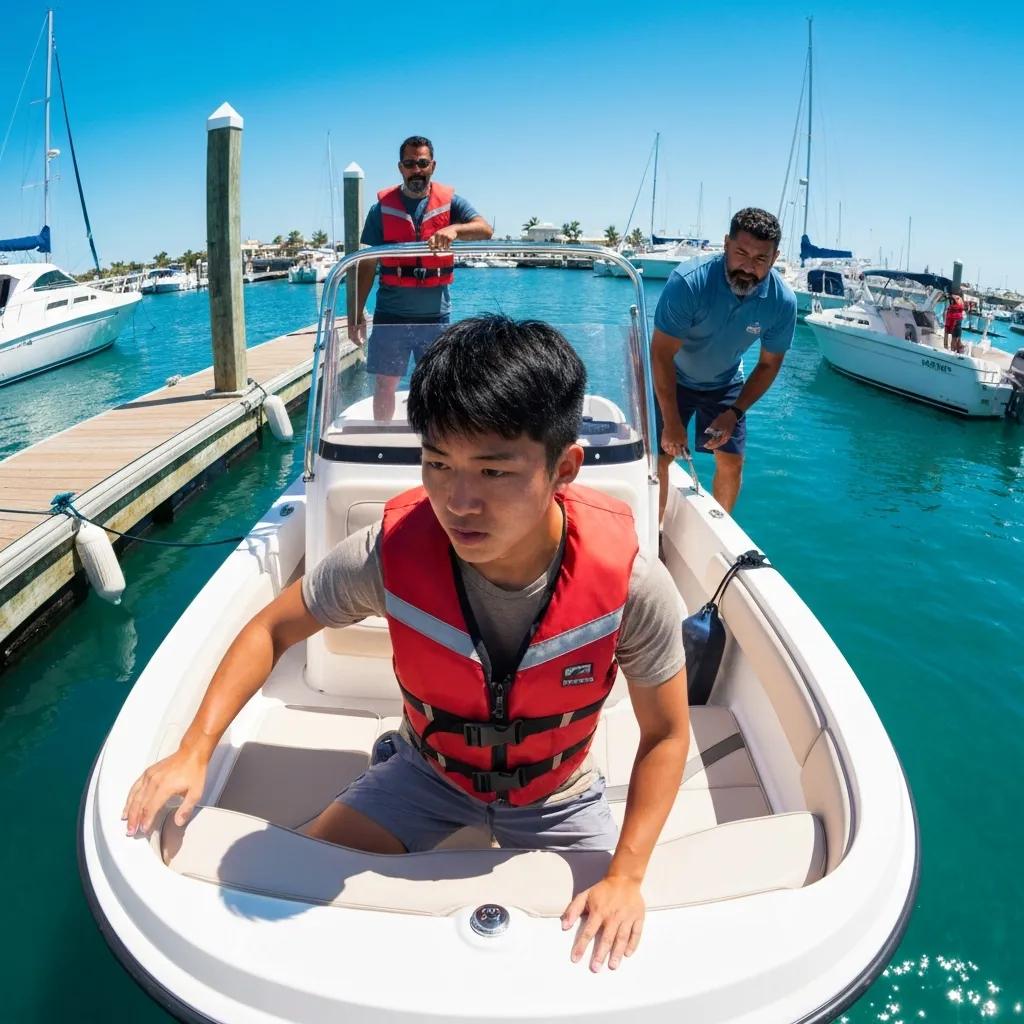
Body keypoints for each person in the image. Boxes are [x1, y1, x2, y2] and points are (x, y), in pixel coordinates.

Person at [123, 314, 690, 974]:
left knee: (606, 963)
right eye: (437, 464)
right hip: (429, 776)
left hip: (559, 792)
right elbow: (272, 627)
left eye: (494, 472)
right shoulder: (390, 553)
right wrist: (196, 748)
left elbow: (668, 736)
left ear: (564, 468)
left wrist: (626, 873)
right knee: (292, 892)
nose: (459, 500)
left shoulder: (631, 583)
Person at [652, 207, 796, 517]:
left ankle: (723, 530)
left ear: (774, 258)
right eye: (741, 253)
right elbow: (661, 353)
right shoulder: (688, 282)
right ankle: (657, 534)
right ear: (726, 245)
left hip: (725, 382)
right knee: (661, 456)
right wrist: (673, 422)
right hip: (674, 377)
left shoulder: (782, 302)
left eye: (760, 259)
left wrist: (735, 412)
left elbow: (769, 364)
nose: (748, 267)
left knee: (731, 460)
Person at [349, 135, 493, 421]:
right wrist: (355, 313)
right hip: (391, 314)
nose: (417, 169)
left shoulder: (452, 203)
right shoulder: (380, 210)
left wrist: (455, 230)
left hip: (435, 317)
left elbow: (484, 229)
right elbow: (366, 264)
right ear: (400, 167)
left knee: (437, 387)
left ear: (433, 166)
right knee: (385, 384)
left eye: (422, 163)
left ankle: (434, 444)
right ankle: (382, 439)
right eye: (410, 163)